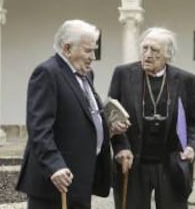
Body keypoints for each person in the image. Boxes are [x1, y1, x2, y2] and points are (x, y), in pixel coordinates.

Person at [16, 19, 127, 209]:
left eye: (94, 50)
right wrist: (54, 165)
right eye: (87, 50)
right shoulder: (47, 73)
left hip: (81, 177)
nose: (93, 56)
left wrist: (107, 129)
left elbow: (79, 119)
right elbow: (39, 129)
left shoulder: (86, 74)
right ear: (67, 48)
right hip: (55, 180)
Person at [108, 27, 195, 209]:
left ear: (168, 55)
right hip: (133, 163)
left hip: (171, 163)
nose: (148, 54)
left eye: (155, 51)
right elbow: (113, 116)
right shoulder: (122, 74)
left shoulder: (186, 80)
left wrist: (191, 147)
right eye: (145, 48)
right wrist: (121, 148)